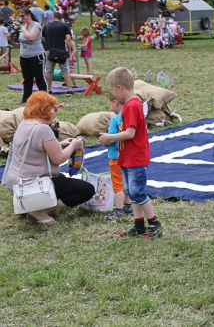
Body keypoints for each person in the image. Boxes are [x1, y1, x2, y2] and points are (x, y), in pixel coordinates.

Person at [2, 92, 92, 224]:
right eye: (52, 108)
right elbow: (59, 159)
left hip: (16, 183)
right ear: (44, 109)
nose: (54, 112)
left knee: (61, 180)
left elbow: (35, 148)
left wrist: (61, 144)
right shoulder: (43, 129)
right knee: (86, 190)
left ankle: (29, 206)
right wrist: (74, 145)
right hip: (33, 183)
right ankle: (39, 211)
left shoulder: (24, 123)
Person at [99, 67, 163, 238]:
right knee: (130, 190)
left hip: (136, 157)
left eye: (112, 90)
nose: (112, 94)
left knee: (137, 192)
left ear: (119, 87)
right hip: (126, 157)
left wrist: (110, 137)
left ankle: (154, 223)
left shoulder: (132, 106)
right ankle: (139, 225)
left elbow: (130, 133)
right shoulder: (128, 106)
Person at [104, 92, 133, 221]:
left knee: (118, 185)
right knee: (127, 182)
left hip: (116, 158)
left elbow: (110, 138)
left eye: (110, 105)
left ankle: (119, 210)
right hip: (128, 157)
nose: (110, 108)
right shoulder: (129, 118)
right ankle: (129, 205)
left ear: (115, 103)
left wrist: (104, 139)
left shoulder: (115, 120)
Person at [42, 12, 76, 96]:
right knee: (66, 71)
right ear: (60, 18)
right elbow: (68, 39)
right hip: (61, 51)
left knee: (48, 72)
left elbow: (43, 38)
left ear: (53, 18)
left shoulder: (47, 26)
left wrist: (47, 46)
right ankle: (69, 90)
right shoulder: (65, 26)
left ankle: (49, 90)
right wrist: (69, 51)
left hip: (49, 51)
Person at [18, 7, 47, 104]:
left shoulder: (36, 25)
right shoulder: (24, 25)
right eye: (20, 16)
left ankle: (44, 99)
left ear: (28, 15)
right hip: (24, 56)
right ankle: (26, 99)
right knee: (27, 78)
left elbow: (31, 37)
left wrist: (23, 29)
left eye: (23, 16)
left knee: (39, 78)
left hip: (36, 55)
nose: (21, 18)